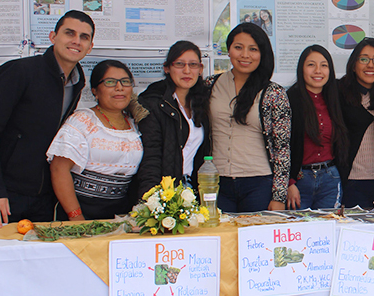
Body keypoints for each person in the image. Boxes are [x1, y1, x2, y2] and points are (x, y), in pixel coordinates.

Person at [0, 10, 95, 225]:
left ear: (90, 46)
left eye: (84, 37)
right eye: (69, 33)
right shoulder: (20, 72)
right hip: (5, 195)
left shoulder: (77, 82)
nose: (76, 41)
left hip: (44, 199)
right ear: (53, 37)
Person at [207, 23, 290, 213]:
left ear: (262, 54)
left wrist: (279, 196)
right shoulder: (210, 85)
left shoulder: (273, 93)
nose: (245, 55)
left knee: (256, 241)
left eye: (253, 49)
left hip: (259, 183)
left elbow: (282, 149)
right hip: (216, 183)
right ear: (228, 51)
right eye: (238, 47)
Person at [47, 60, 143, 220]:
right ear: (95, 91)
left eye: (125, 82)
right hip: (81, 210)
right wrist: (76, 217)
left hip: (119, 214)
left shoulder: (135, 124)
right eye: (110, 82)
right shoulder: (83, 121)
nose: (119, 88)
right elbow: (59, 169)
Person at [136, 41, 210, 197]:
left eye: (193, 64)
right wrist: (151, 198)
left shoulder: (201, 102)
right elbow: (150, 158)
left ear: (200, 69)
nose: (187, 70)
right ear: (167, 68)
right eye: (179, 64)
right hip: (164, 192)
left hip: (191, 189)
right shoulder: (153, 103)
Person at [287, 45, 348, 210]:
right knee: (299, 231)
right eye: (311, 65)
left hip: (330, 178)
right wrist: (289, 182)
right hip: (300, 180)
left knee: (328, 229)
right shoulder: (289, 99)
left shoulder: (336, 97)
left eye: (324, 65)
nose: (318, 71)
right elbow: (281, 146)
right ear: (302, 69)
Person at [339, 38, 374, 208]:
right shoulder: (338, 92)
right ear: (353, 64)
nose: (370, 65)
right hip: (350, 180)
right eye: (364, 59)